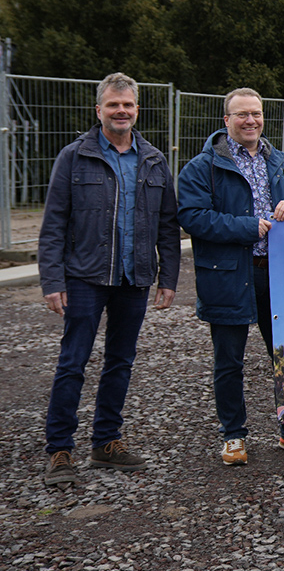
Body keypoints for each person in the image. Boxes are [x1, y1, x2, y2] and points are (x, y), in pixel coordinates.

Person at [178, 88, 284, 465]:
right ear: (226, 121)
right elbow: (192, 216)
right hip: (229, 273)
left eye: (256, 114)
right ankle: (233, 435)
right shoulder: (202, 167)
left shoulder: (278, 160)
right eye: (241, 115)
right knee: (229, 359)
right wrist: (248, 227)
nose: (250, 121)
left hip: (277, 273)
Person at [39, 73, 180, 487]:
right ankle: (60, 449)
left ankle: (106, 442)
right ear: (98, 109)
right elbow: (53, 225)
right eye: (114, 105)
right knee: (73, 362)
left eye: (128, 105)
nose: (121, 111)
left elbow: (168, 226)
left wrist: (166, 276)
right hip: (84, 277)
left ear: (137, 110)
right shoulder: (74, 156)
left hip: (133, 278)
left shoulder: (153, 159)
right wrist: (51, 280)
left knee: (121, 361)